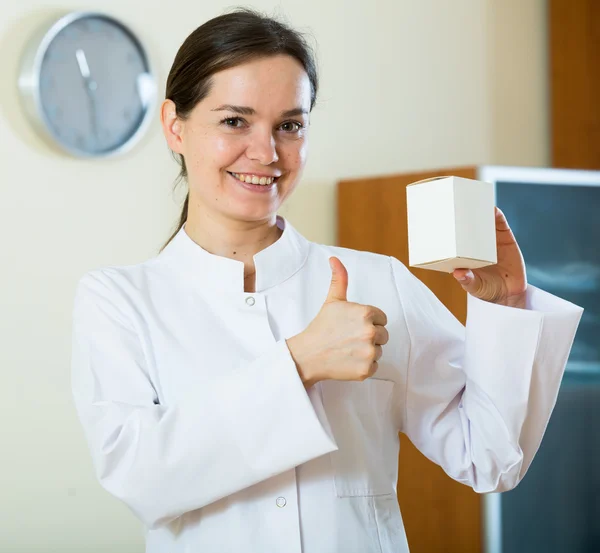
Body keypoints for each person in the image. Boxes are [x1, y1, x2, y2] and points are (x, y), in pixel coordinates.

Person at [70, 7, 584, 553]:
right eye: (234, 121)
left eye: (289, 125)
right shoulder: (119, 300)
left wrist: (504, 305)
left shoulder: (377, 280)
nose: (266, 153)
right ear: (175, 126)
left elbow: (489, 459)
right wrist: (299, 364)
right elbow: (139, 477)